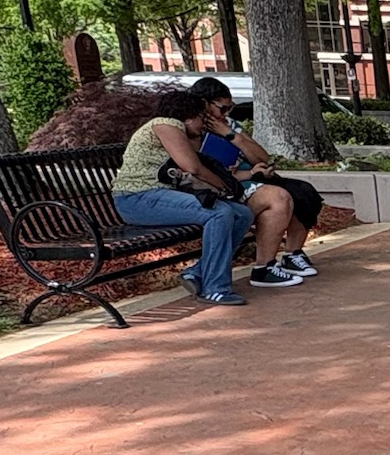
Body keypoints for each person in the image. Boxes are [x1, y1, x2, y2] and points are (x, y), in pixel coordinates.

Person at [111, 91, 300, 304]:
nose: (203, 124)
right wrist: (225, 188)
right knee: (220, 213)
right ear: (189, 116)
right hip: (138, 199)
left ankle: (197, 272)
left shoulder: (178, 130)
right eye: (202, 117)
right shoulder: (166, 124)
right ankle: (215, 288)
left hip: (158, 197)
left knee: (242, 213)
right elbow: (193, 168)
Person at [187, 76, 325, 279]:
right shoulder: (193, 128)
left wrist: (230, 134)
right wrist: (250, 173)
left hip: (248, 176)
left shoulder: (228, 125)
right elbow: (203, 170)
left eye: (229, 108)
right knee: (279, 198)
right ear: (204, 104)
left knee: (304, 192)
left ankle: (292, 253)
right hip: (227, 184)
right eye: (222, 108)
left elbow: (262, 158)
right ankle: (264, 266)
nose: (226, 114)